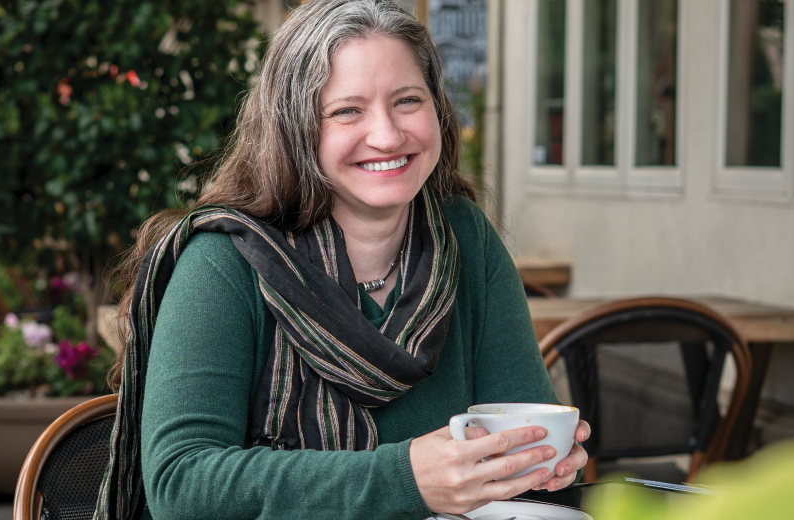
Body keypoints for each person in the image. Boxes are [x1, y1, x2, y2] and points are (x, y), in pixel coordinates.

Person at [96, 1, 590, 518]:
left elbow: (526, 463)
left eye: (407, 100)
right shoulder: (221, 264)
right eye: (347, 111)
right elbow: (182, 485)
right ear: (295, 131)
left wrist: (545, 463)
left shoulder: (465, 237)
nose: (387, 135)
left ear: (438, 110)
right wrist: (406, 479)